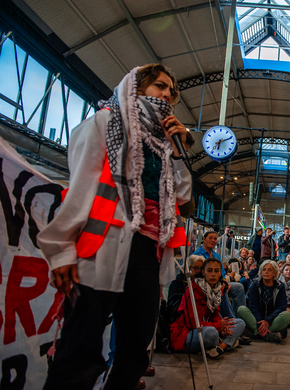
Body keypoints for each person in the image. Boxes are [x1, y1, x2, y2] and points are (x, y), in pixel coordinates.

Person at [38, 64, 192, 390]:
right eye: (160, 86)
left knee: (136, 351)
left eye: (171, 92)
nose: (166, 95)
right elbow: (79, 192)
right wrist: (62, 249)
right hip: (101, 248)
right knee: (80, 351)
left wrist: (178, 149)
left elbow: (184, 197)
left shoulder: (164, 145)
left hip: (148, 253)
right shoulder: (104, 123)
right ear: (136, 87)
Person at [170, 258, 245, 359]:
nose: (213, 274)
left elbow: (215, 315)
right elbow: (191, 323)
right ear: (203, 272)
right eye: (209, 271)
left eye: (216, 271)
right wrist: (218, 326)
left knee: (240, 323)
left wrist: (222, 327)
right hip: (186, 334)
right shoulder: (193, 290)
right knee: (211, 333)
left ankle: (220, 347)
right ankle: (226, 342)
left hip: (209, 326)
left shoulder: (217, 290)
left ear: (220, 274)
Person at [193, 231, 245, 318]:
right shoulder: (197, 255)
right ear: (204, 239)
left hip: (219, 282)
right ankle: (231, 320)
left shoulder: (216, 255)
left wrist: (224, 281)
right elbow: (197, 275)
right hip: (204, 286)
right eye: (210, 238)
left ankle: (240, 317)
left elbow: (222, 273)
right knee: (221, 290)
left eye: (215, 238)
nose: (213, 240)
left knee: (239, 287)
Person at [237, 260, 290, 343]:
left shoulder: (280, 286)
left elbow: (281, 307)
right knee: (241, 309)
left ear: (274, 273)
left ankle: (256, 333)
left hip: (272, 321)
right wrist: (260, 323)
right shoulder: (255, 285)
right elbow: (253, 307)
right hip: (256, 320)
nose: (266, 272)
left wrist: (267, 321)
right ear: (261, 272)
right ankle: (267, 335)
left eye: (270, 270)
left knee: (287, 315)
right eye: (264, 269)